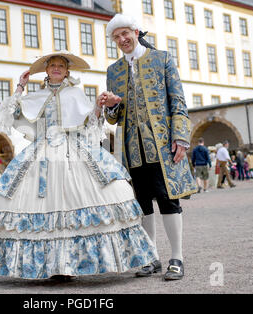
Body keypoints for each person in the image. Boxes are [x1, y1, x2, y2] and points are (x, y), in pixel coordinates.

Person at [0, 51, 157, 281]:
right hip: (42, 150)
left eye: (60, 66)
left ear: (67, 71)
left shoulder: (75, 94)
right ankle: (56, 267)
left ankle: (72, 264)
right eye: (52, 65)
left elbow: (90, 124)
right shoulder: (37, 95)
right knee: (35, 201)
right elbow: (12, 114)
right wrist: (20, 87)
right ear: (46, 70)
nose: (56, 68)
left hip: (74, 148)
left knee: (103, 190)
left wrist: (98, 106)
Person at [98, 14, 197, 280]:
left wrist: (181, 138)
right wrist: (112, 105)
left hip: (163, 144)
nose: (121, 40)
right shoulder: (113, 71)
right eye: (116, 37)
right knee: (141, 204)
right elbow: (112, 118)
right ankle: (150, 256)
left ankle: (177, 257)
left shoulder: (162, 59)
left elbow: (178, 101)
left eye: (125, 34)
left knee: (168, 200)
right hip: (132, 148)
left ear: (136, 31)